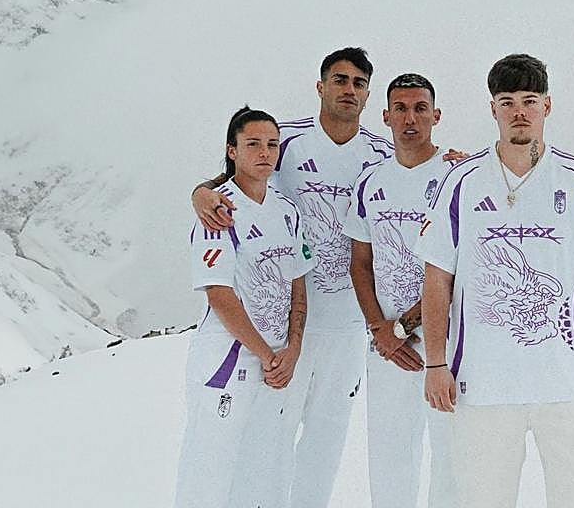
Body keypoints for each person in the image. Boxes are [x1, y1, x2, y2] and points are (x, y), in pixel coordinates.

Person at [418, 53, 574, 508]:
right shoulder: (462, 182)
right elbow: (436, 280)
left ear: (547, 105)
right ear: (492, 108)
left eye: (529, 101)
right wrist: (435, 364)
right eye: (507, 102)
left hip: (568, 384)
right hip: (483, 386)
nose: (519, 112)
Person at [191, 48, 392, 508]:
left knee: (326, 438)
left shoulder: (380, 155)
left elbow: (417, 177)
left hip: (347, 323)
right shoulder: (288, 142)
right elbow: (236, 175)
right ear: (321, 86)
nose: (349, 90)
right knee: (270, 437)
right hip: (285, 327)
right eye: (339, 79)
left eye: (359, 83)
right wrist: (200, 192)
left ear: (367, 94)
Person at [174, 106, 313, 508]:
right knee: (210, 473)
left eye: (272, 144)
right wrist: (267, 355)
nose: (264, 152)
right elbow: (220, 295)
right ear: (232, 150)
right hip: (229, 360)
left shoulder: (287, 211)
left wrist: (293, 348)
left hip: (275, 364)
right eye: (253, 144)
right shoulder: (219, 211)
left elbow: (297, 284)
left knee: (258, 471)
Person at [344, 73, 457, 508]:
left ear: (436, 115)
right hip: (388, 347)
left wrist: (403, 327)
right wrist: (381, 330)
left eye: (420, 108)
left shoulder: (456, 175)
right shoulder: (370, 181)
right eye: (402, 109)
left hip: (446, 342)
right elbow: (361, 262)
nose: (411, 119)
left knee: (450, 457)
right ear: (386, 116)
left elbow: (459, 268)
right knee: (390, 457)